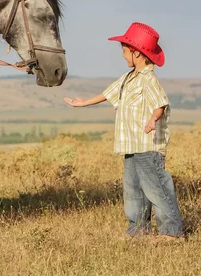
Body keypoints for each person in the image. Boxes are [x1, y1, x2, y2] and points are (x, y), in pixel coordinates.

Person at [64, 22, 183, 241]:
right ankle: (138, 231)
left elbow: (160, 104)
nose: (122, 55)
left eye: (124, 50)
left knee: (157, 189)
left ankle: (172, 233)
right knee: (133, 191)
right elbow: (108, 94)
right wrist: (83, 103)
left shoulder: (148, 79)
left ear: (136, 53)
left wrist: (153, 120)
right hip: (131, 146)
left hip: (147, 146)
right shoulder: (127, 78)